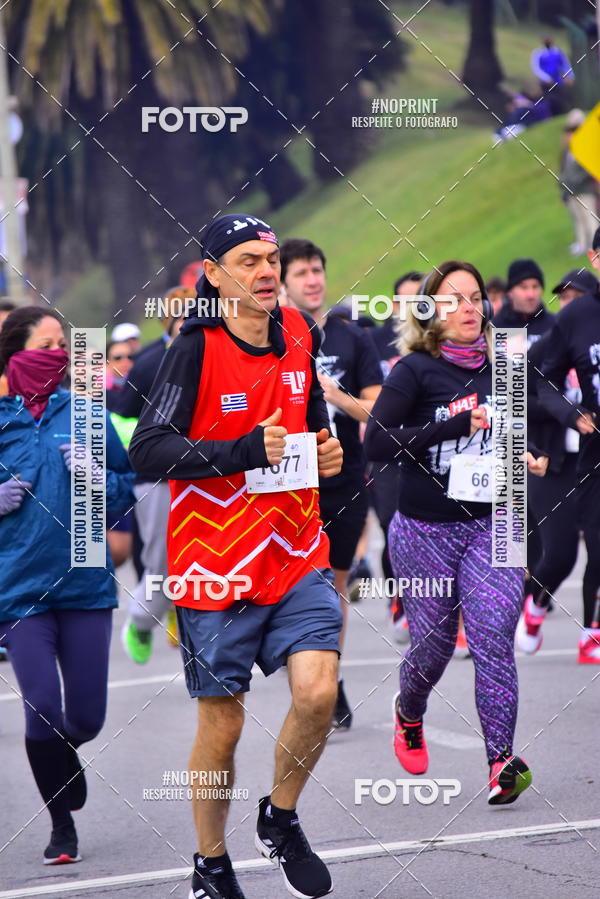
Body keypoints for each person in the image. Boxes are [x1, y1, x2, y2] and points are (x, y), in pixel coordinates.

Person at [129, 213, 343, 899]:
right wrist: (244, 450)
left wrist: (326, 448)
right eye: (248, 260)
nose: (266, 271)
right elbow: (147, 450)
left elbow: (308, 415)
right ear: (215, 276)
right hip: (214, 563)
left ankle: (279, 818)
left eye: (271, 258)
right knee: (223, 727)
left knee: (319, 691)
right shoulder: (192, 348)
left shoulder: (299, 332)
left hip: (295, 547)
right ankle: (211, 864)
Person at [365, 260, 546, 805]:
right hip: (425, 531)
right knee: (435, 647)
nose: (469, 308)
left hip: (496, 521)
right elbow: (376, 443)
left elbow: (514, 433)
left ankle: (500, 762)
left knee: (493, 636)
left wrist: (530, 455)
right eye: (453, 300)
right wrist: (449, 426)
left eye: (475, 298)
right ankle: (409, 711)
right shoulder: (414, 371)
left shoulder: (507, 362)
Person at [0, 306, 135, 864]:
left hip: (84, 581)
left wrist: (99, 478)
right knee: (41, 708)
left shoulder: (87, 414)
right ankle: (61, 826)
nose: (59, 355)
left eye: (64, 345)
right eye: (46, 345)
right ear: (15, 355)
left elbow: (127, 489)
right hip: (17, 589)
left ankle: (62, 756)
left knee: (85, 718)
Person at [280, 238, 382, 730]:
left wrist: (333, 395)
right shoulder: (271, 335)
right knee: (296, 584)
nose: (312, 279)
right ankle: (308, 682)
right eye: (301, 272)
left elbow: (378, 410)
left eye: (317, 270)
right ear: (283, 282)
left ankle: (328, 679)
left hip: (343, 478)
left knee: (334, 585)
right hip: (287, 482)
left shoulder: (352, 338)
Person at [518, 267, 599, 657]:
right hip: (553, 463)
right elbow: (519, 397)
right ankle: (535, 605)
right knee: (562, 554)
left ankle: (591, 635)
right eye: (564, 297)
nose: (569, 304)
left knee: (598, 549)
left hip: (591, 460)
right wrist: (569, 411)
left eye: (576, 297)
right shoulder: (544, 347)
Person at [537, 231, 600, 664]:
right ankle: (541, 609)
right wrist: (571, 413)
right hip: (573, 452)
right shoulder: (574, 318)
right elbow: (540, 381)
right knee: (570, 550)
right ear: (594, 257)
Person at [118, 288, 186, 662]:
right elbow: (121, 417)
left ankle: (185, 615)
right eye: (183, 318)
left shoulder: (218, 354)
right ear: (168, 324)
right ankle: (141, 621)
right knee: (161, 562)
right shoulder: (147, 364)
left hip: (207, 472)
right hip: (156, 477)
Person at [559, 109, 598, 256]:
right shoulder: (568, 152)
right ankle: (583, 245)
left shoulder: (585, 147)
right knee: (579, 220)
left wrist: (575, 181)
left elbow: (587, 169)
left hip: (585, 190)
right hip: (572, 191)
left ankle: (595, 245)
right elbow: (564, 170)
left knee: (590, 218)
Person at [530, 37, 573, 116]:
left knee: (560, 100)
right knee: (547, 100)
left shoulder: (559, 52)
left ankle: (560, 115)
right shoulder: (538, 53)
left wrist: (569, 76)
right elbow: (536, 68)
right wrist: (546, 78)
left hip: (559, 81)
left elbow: (566, 65)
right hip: (546, 84)